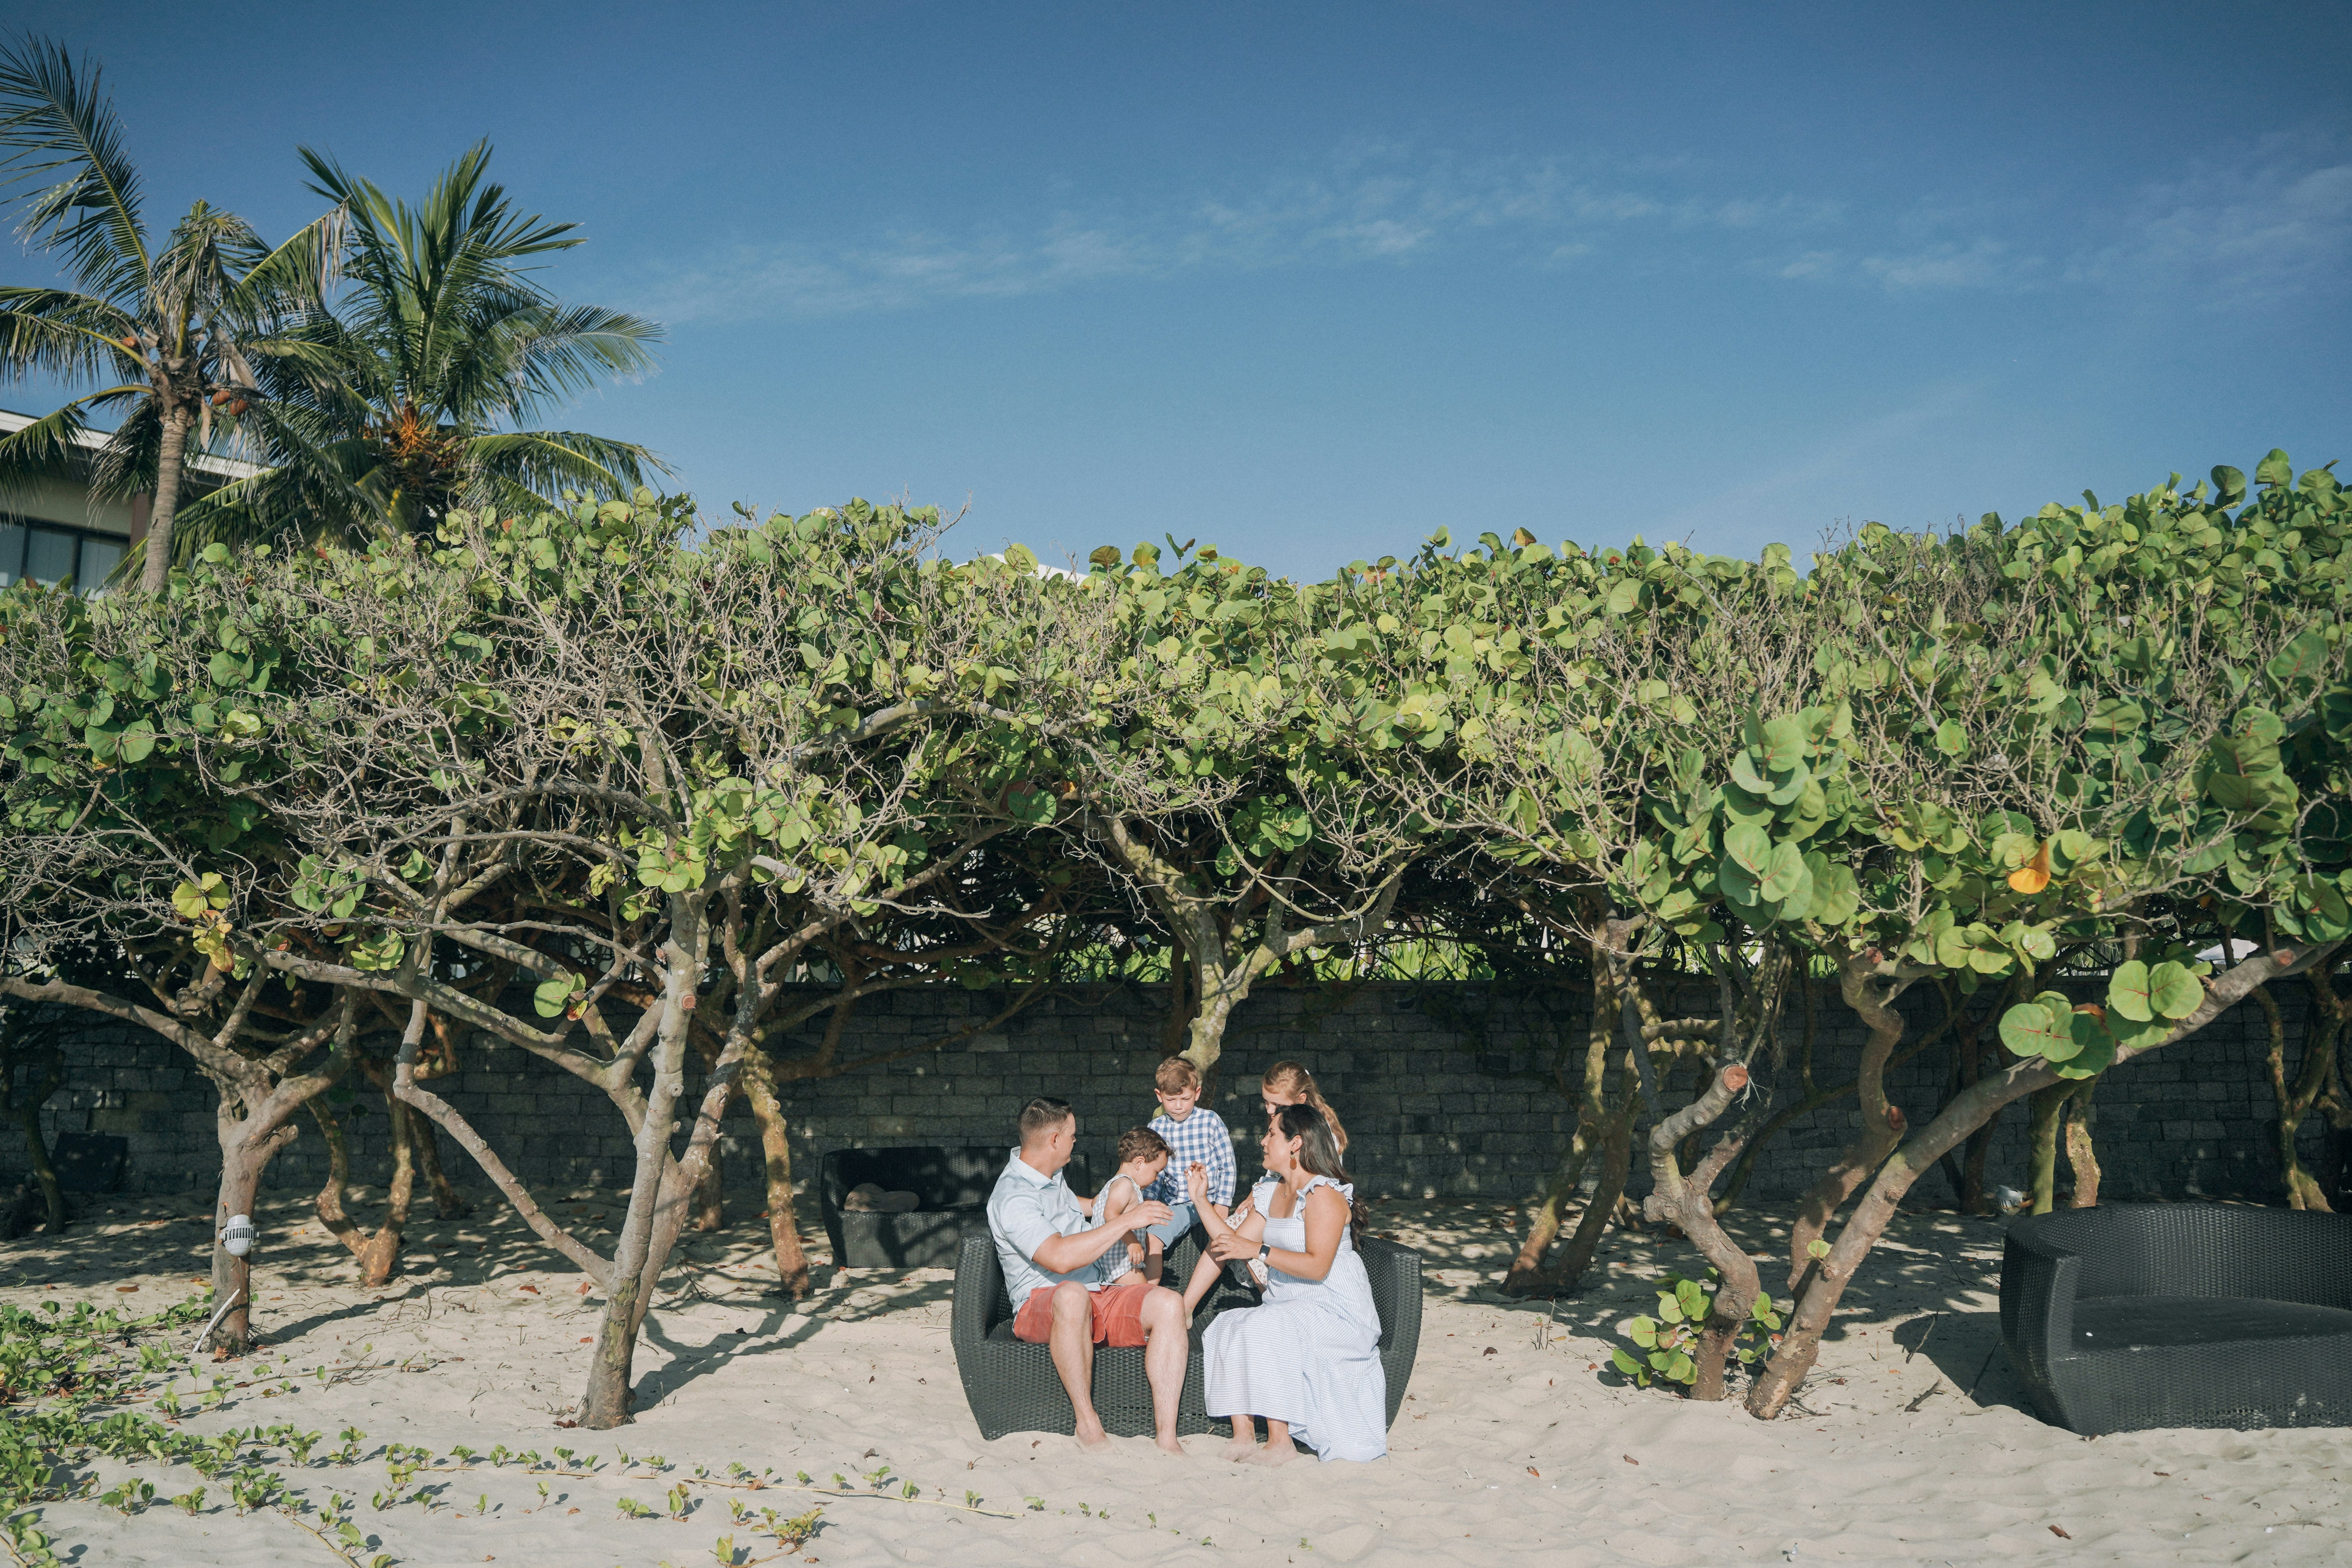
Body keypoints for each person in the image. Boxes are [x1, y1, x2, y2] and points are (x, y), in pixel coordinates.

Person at [984, 1096, 1188, 1454]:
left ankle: (1167, 1437)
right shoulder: (1014, 1197)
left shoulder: (1050, 1176)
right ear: (1054, 1141)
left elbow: (1081, 1207)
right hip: (1042, 1301)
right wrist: (1126, 1222)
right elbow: (1059, 1259)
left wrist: (1114, 1205)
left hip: (1097, 1290)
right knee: (1071, 1293)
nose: (1076, 1141)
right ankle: (1087, 1423)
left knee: (1169, 1304)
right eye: (1073, 1135)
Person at [1200, 1103, 1388, 1465]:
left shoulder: (1323, 1196)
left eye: (1271, 1134)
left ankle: (1280, 1441)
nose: (1263, 1140)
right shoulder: (1271, 1191)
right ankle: (1243, 1435)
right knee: (1229, 1323)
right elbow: (1232, 1243)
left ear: (1296, 1143)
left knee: (1268, 1325)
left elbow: (1318, 1266)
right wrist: (1200, 1200)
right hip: (1289, 1304)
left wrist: (1257, 1249)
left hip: (1335, 1309)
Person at [1177, 1060, 1347, 1316]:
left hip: (1299, 1207)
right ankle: (1186, 1307)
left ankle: (1268, 1302)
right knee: (1230, 1238)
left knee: (1249, 1249)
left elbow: (1310, 1183)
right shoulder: (1286, 1126)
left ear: (1301, 1100)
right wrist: (1254, 1195)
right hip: (1276, 1194)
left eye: (1276, 1105)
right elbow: (1275, 1171)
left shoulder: (1319, 1137)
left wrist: (1264, 1202)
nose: (1269, 1110)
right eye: (1266, 1102)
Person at [1140, 1057, 1234, 1254]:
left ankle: (1148, 1284)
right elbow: (1156, 1174)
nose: (1179, 1107)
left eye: (1185, 1099)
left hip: (1207, 1203)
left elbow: (1227, 1166)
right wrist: (1148, 1201)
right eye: (1171, 1100)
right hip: (1173, 1204)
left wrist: (1223, 1204)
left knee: (1153, 1238)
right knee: (1143, 1236)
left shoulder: (1210, 1121)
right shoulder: (1155, 1128)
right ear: (1159, 1095)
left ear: (1197, 1093)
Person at [1096, 1126, 1173, 1286]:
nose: (1157, 1178)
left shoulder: (1114, 1185)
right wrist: (1132, 1241)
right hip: (1119, 1261)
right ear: (1139, 1163)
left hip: (1113, 1260)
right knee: (1147, 1299)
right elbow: (1110, 1214)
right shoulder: (1125, 1184)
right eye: (1157, 1172)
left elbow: (1098, 1206)